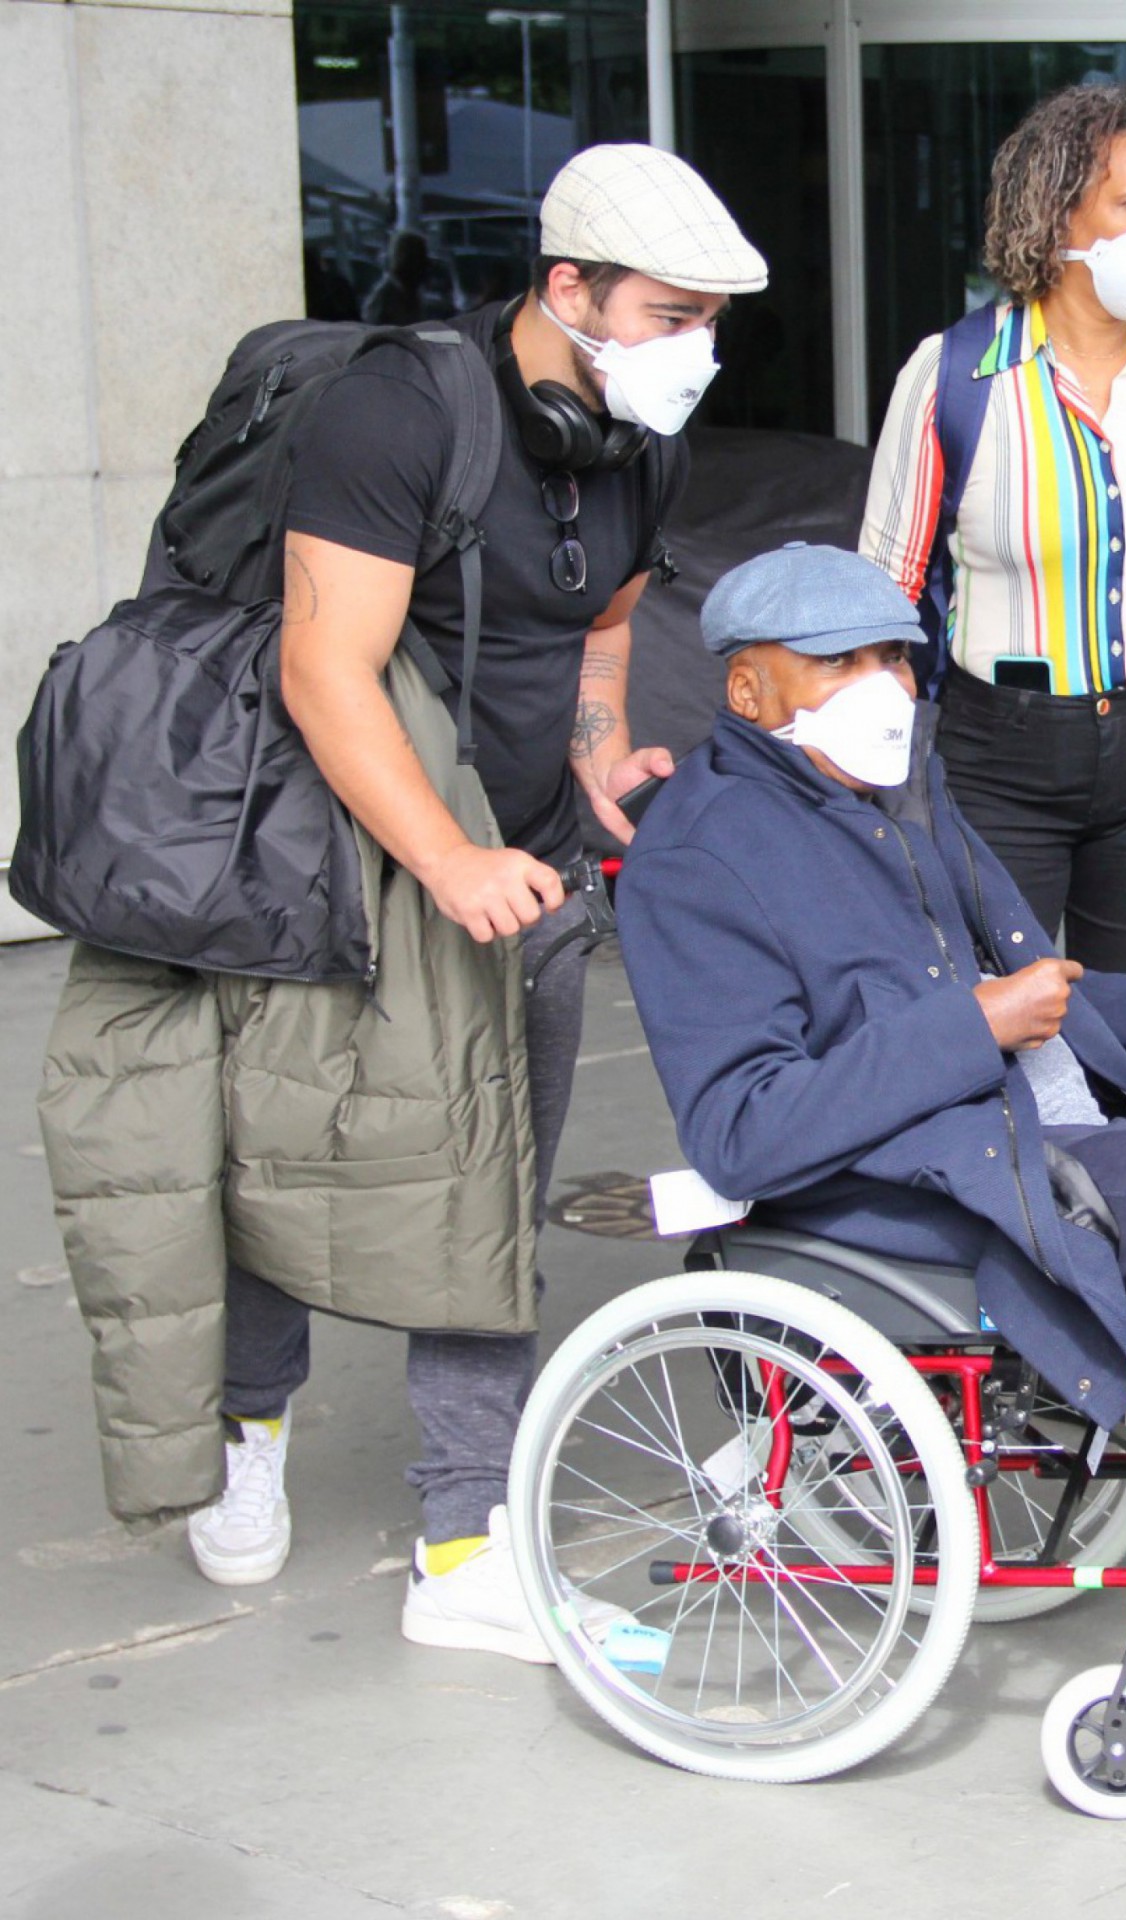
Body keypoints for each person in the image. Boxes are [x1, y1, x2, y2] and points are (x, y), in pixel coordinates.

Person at [38, 145, 767, 1661]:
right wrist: (445, 856)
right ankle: (249, 1427)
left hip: (530, 868)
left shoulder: (641, 443)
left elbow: (596, 634)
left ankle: (462, 1535)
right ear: (565, 290)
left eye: (711, 320)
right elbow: (324, 665)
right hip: (346, 872)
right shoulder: (400, 413)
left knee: (483, 1194)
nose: (692, 350)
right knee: (279, 1173)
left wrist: (586, 774)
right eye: (670, 313)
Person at [617, 543, 1126, 1434]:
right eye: (836, 662)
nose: (880, 686)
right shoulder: (702, 854)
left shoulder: (894, 796)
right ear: (747, 690)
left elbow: (1037, 994)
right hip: (950, 1179)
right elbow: (739, 1131)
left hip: (1036, 1124)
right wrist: (975, 1025)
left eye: (890, 655)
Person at [860, 83, 1126, 978]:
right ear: (1055, 216)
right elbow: (881, 594)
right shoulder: (953, 376)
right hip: (996, 760)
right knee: (1001, 1031)